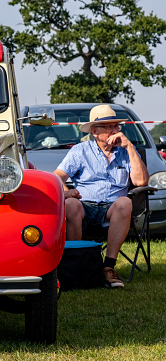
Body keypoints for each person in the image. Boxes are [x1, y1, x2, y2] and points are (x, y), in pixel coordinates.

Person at [54, 105, 149, 288]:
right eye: (109, 126)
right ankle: (77, 265)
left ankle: (108, 268)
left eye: (116, 126)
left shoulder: (126, 151)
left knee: (124, 202)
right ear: (95, 131)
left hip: (112, 210)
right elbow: (57, 176)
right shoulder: (80, 151)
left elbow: (141, 182)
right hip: (84, 207)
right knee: (71, 204)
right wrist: (66, 192)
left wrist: (129, 146)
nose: (115, 131)